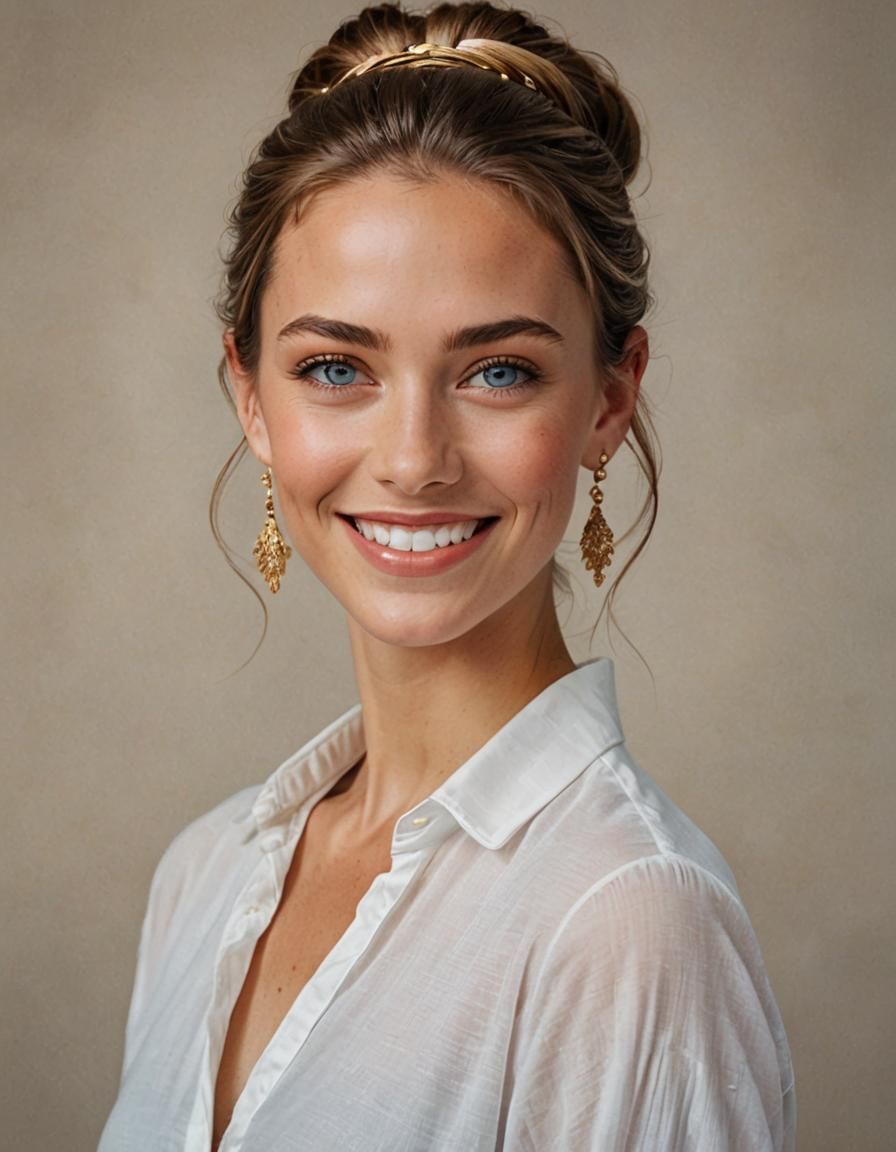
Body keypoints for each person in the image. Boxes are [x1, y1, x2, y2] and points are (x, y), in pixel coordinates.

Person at [98, 3, 796, 1149]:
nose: (414, 459)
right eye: (335, 366)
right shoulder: (203, 874)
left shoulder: (628, 924)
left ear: (608, 399)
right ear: (248, 398)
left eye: (497, 371)